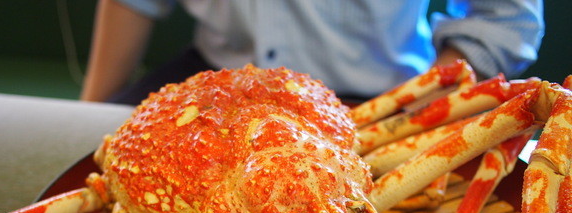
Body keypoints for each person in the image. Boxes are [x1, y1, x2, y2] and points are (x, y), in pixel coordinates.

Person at [80, 0, 544, 105]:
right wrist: (90, 111)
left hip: (377, 97)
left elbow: (504, 14)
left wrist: (414, 109)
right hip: (215, 73)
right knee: (83, 161)